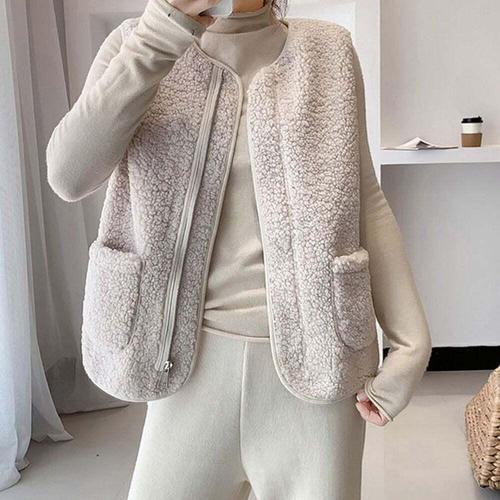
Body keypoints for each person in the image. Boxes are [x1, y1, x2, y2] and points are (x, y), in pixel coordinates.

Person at [46, 0, 432, 498]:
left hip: (318, 366)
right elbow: (69, 175)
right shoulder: (136, 43)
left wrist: (412, 342)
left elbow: (366, 201)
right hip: (182, 366)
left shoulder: (329, 50)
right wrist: (163, 32)